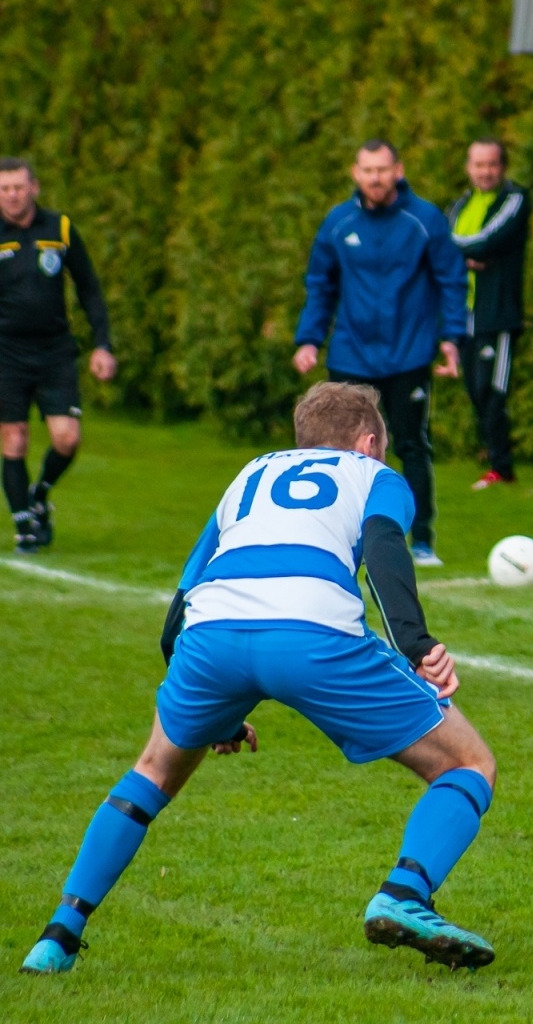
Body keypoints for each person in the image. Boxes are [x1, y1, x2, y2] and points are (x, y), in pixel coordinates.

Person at [20, 382, 498, 975]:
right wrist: (417, 645)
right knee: (467, 763)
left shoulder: (250, 473)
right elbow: (383, 549)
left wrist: (216, 715)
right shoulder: (376, 475)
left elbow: (181, 605)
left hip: (210, 635)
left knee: (153, 770)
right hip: (313, 633)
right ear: (368, 442)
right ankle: (404, 895)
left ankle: (57, 937)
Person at [293, 139, 466, 566]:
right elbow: (320, 285)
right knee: (337, 451)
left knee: (411, 445)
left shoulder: (424, 220)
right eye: (368, 170)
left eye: (382, 170)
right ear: (356, 173)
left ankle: (421, 540)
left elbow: (451, 281)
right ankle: (336, 538)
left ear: (398, 171)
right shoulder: (339, 222)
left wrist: (451, 338)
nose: (375, 178)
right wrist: (309, 339)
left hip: (409, 355)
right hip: (351, 357)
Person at [0, 157, 116, 553]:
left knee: (67, 438)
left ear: (33, 188)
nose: (12, 195)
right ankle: (25, 528)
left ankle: (40, 494)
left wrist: (102, 344)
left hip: (54, 352)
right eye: (4, 189)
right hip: (7, 354)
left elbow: (89, 287)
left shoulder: (59, 228)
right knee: (14, 438)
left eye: (18, 187)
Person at [448, 138, 532, 491]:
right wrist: (464, 257)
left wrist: (460, 251)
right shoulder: (462, 204)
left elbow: (486, 241)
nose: (485, 171)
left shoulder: (514, 199)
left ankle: (502, 467)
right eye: (479, 164)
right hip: (466, 313)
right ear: (469, 168)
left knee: (492, 389)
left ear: (503, 166)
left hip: (498, 313)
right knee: (474, 390)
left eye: (492, 164)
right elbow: (444, 246)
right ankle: (495, 462)